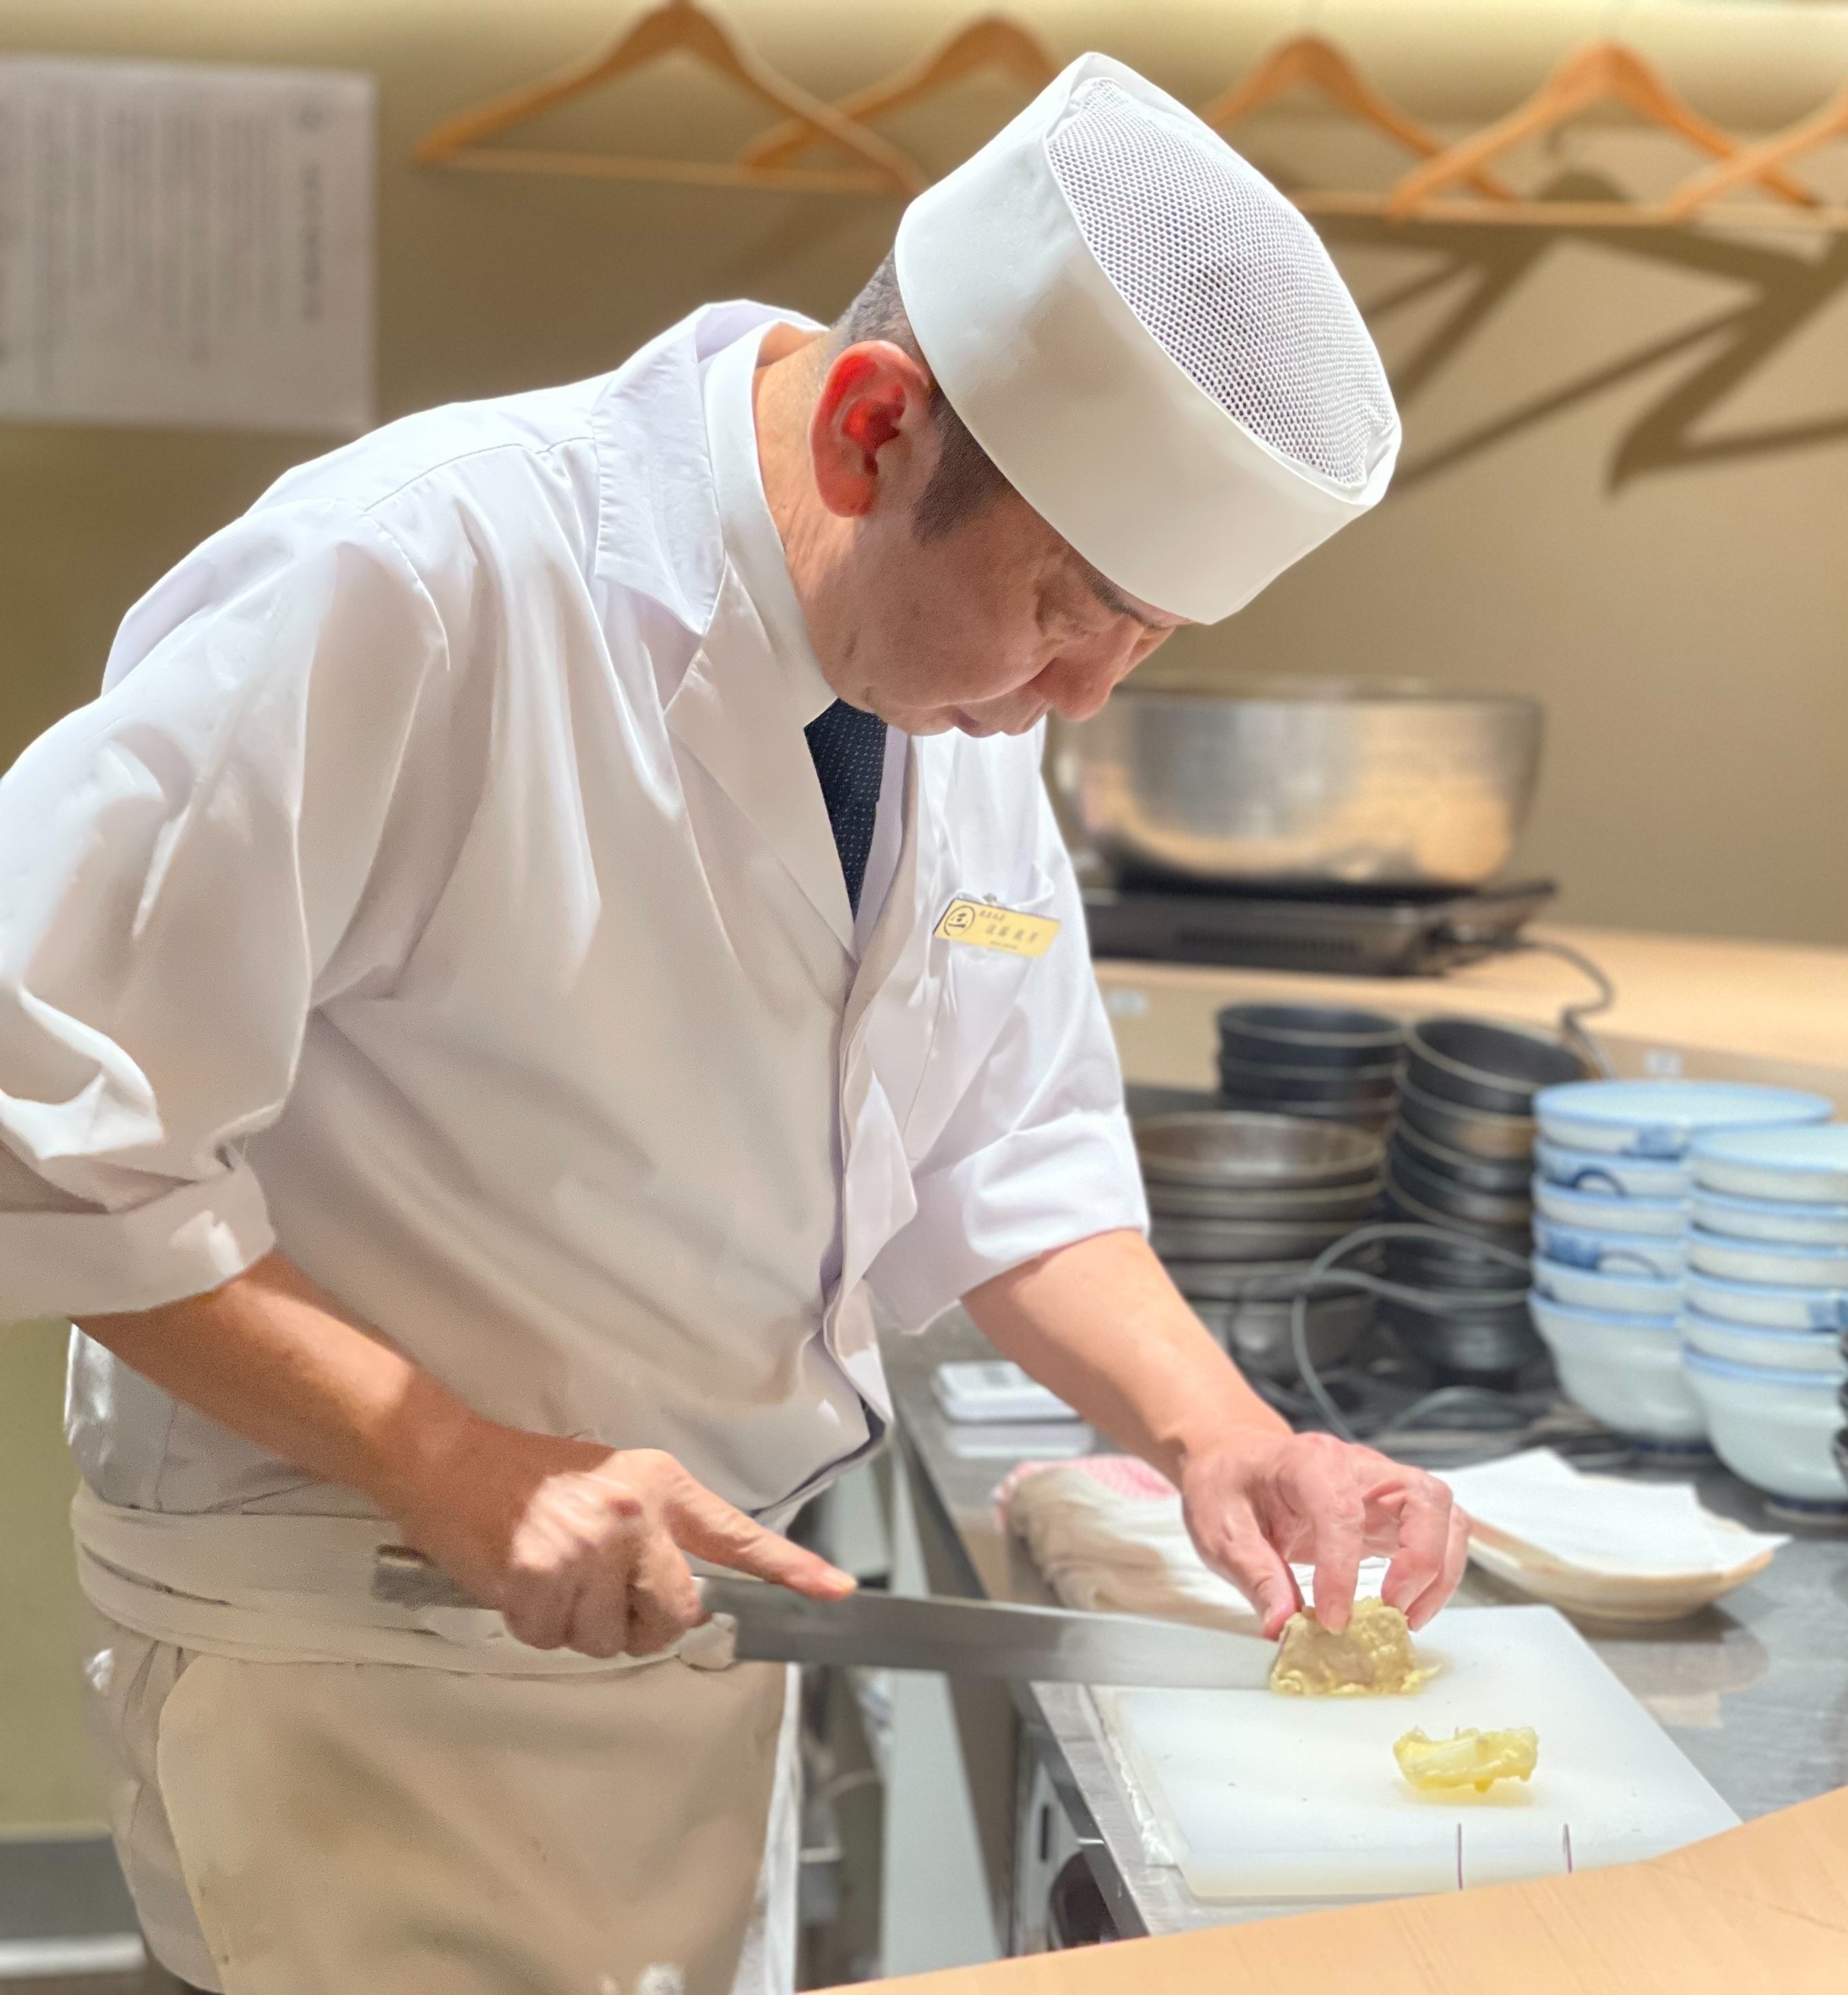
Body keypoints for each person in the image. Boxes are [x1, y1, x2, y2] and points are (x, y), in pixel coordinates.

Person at [0, 55, 1460, 1994]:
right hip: (361, 1646)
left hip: (693, 1637)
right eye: (1069, 607)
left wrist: (1222, 1437)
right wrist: (454, 1460)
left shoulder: (954, 679)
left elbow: (1000, 1154)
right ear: (872, 429)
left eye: (1144, 644)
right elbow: (41, 1109)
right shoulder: (422, 575)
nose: (1080, 696)